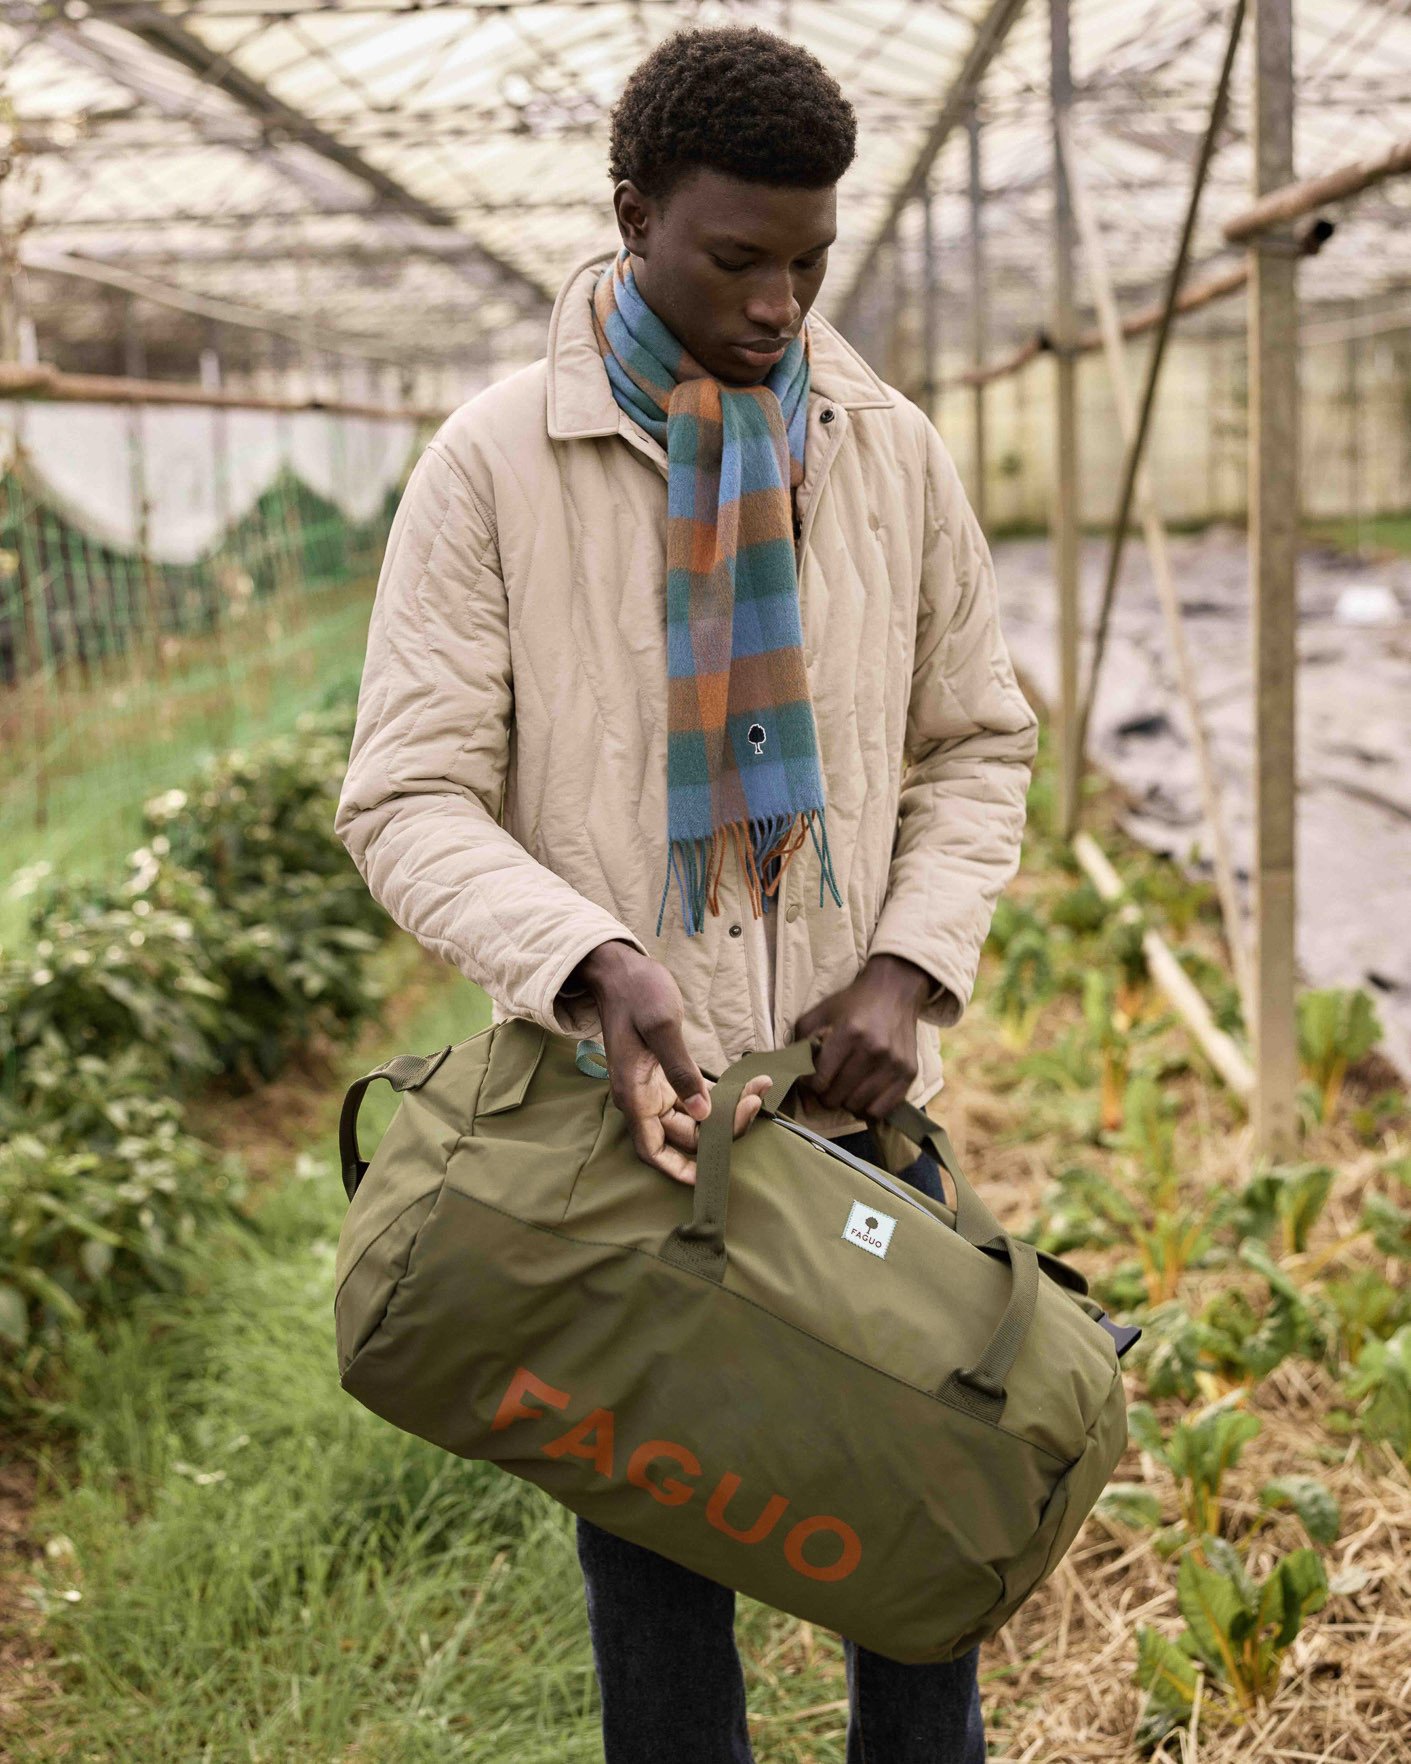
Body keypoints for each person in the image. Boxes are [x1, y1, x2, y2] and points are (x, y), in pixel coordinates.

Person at [334, 22, 1037, 1762]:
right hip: (631, 1128)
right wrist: (589, 961)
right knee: (656, 1576)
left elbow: (976, 747)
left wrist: (905, 967)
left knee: (919, 1513)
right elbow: (405, 794)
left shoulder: (886, 454)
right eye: (737, 256)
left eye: (811, 259)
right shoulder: (498, 465)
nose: (781, 302)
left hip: (849, 1110)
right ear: (636, 211)